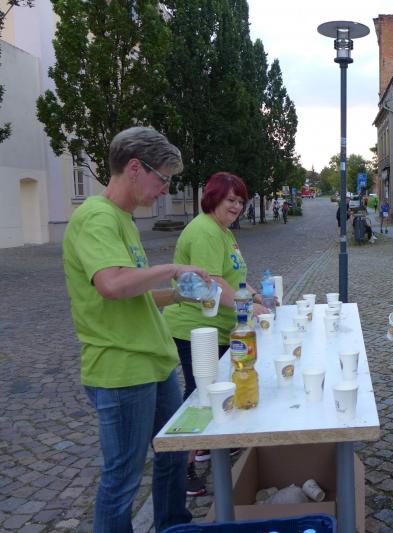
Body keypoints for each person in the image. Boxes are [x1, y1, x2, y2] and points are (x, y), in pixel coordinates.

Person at [63, 127, 205, 532]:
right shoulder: (96, 217)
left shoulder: (123, 219)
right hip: (122, 368)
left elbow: (133, 292)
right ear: (135, 168)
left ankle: (173, 525)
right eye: (163, 178)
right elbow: (111, 285)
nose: (165, 189)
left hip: (154, 363)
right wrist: (172, 268)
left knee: (173, 453)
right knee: (122, 478)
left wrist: (177, 295)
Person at [163, 172, 270, 496]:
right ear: (213, 198)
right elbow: (213, 283)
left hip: (220, 326)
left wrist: (256, 296)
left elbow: (234, 277)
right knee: (200, 396)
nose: (236, 206)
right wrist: (250, 308)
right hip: (195, 328)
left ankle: (210, 445)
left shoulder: (223, 231)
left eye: (240, 201)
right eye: (230, 199)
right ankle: (183, 467)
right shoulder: (205, 231)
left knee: (219, 387)